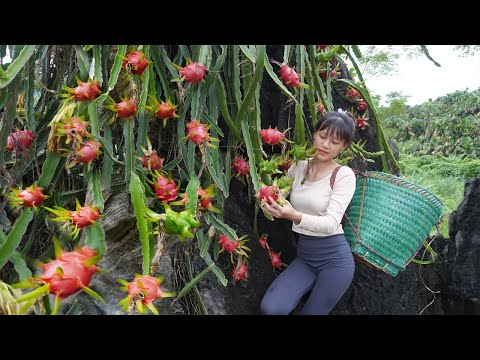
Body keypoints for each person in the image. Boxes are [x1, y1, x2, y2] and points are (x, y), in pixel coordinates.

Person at [260, 110, 357, 315]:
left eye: (335, 142)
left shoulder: (343, 175)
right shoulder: (299, 164)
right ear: (314, 134)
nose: (325, 145)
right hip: (305, 257)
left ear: (344, 147)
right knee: (271, 308)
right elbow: (280, 193)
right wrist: (267, 200)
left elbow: (331, 223)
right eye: (322, 136)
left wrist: (294, 216)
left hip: (335, 262)